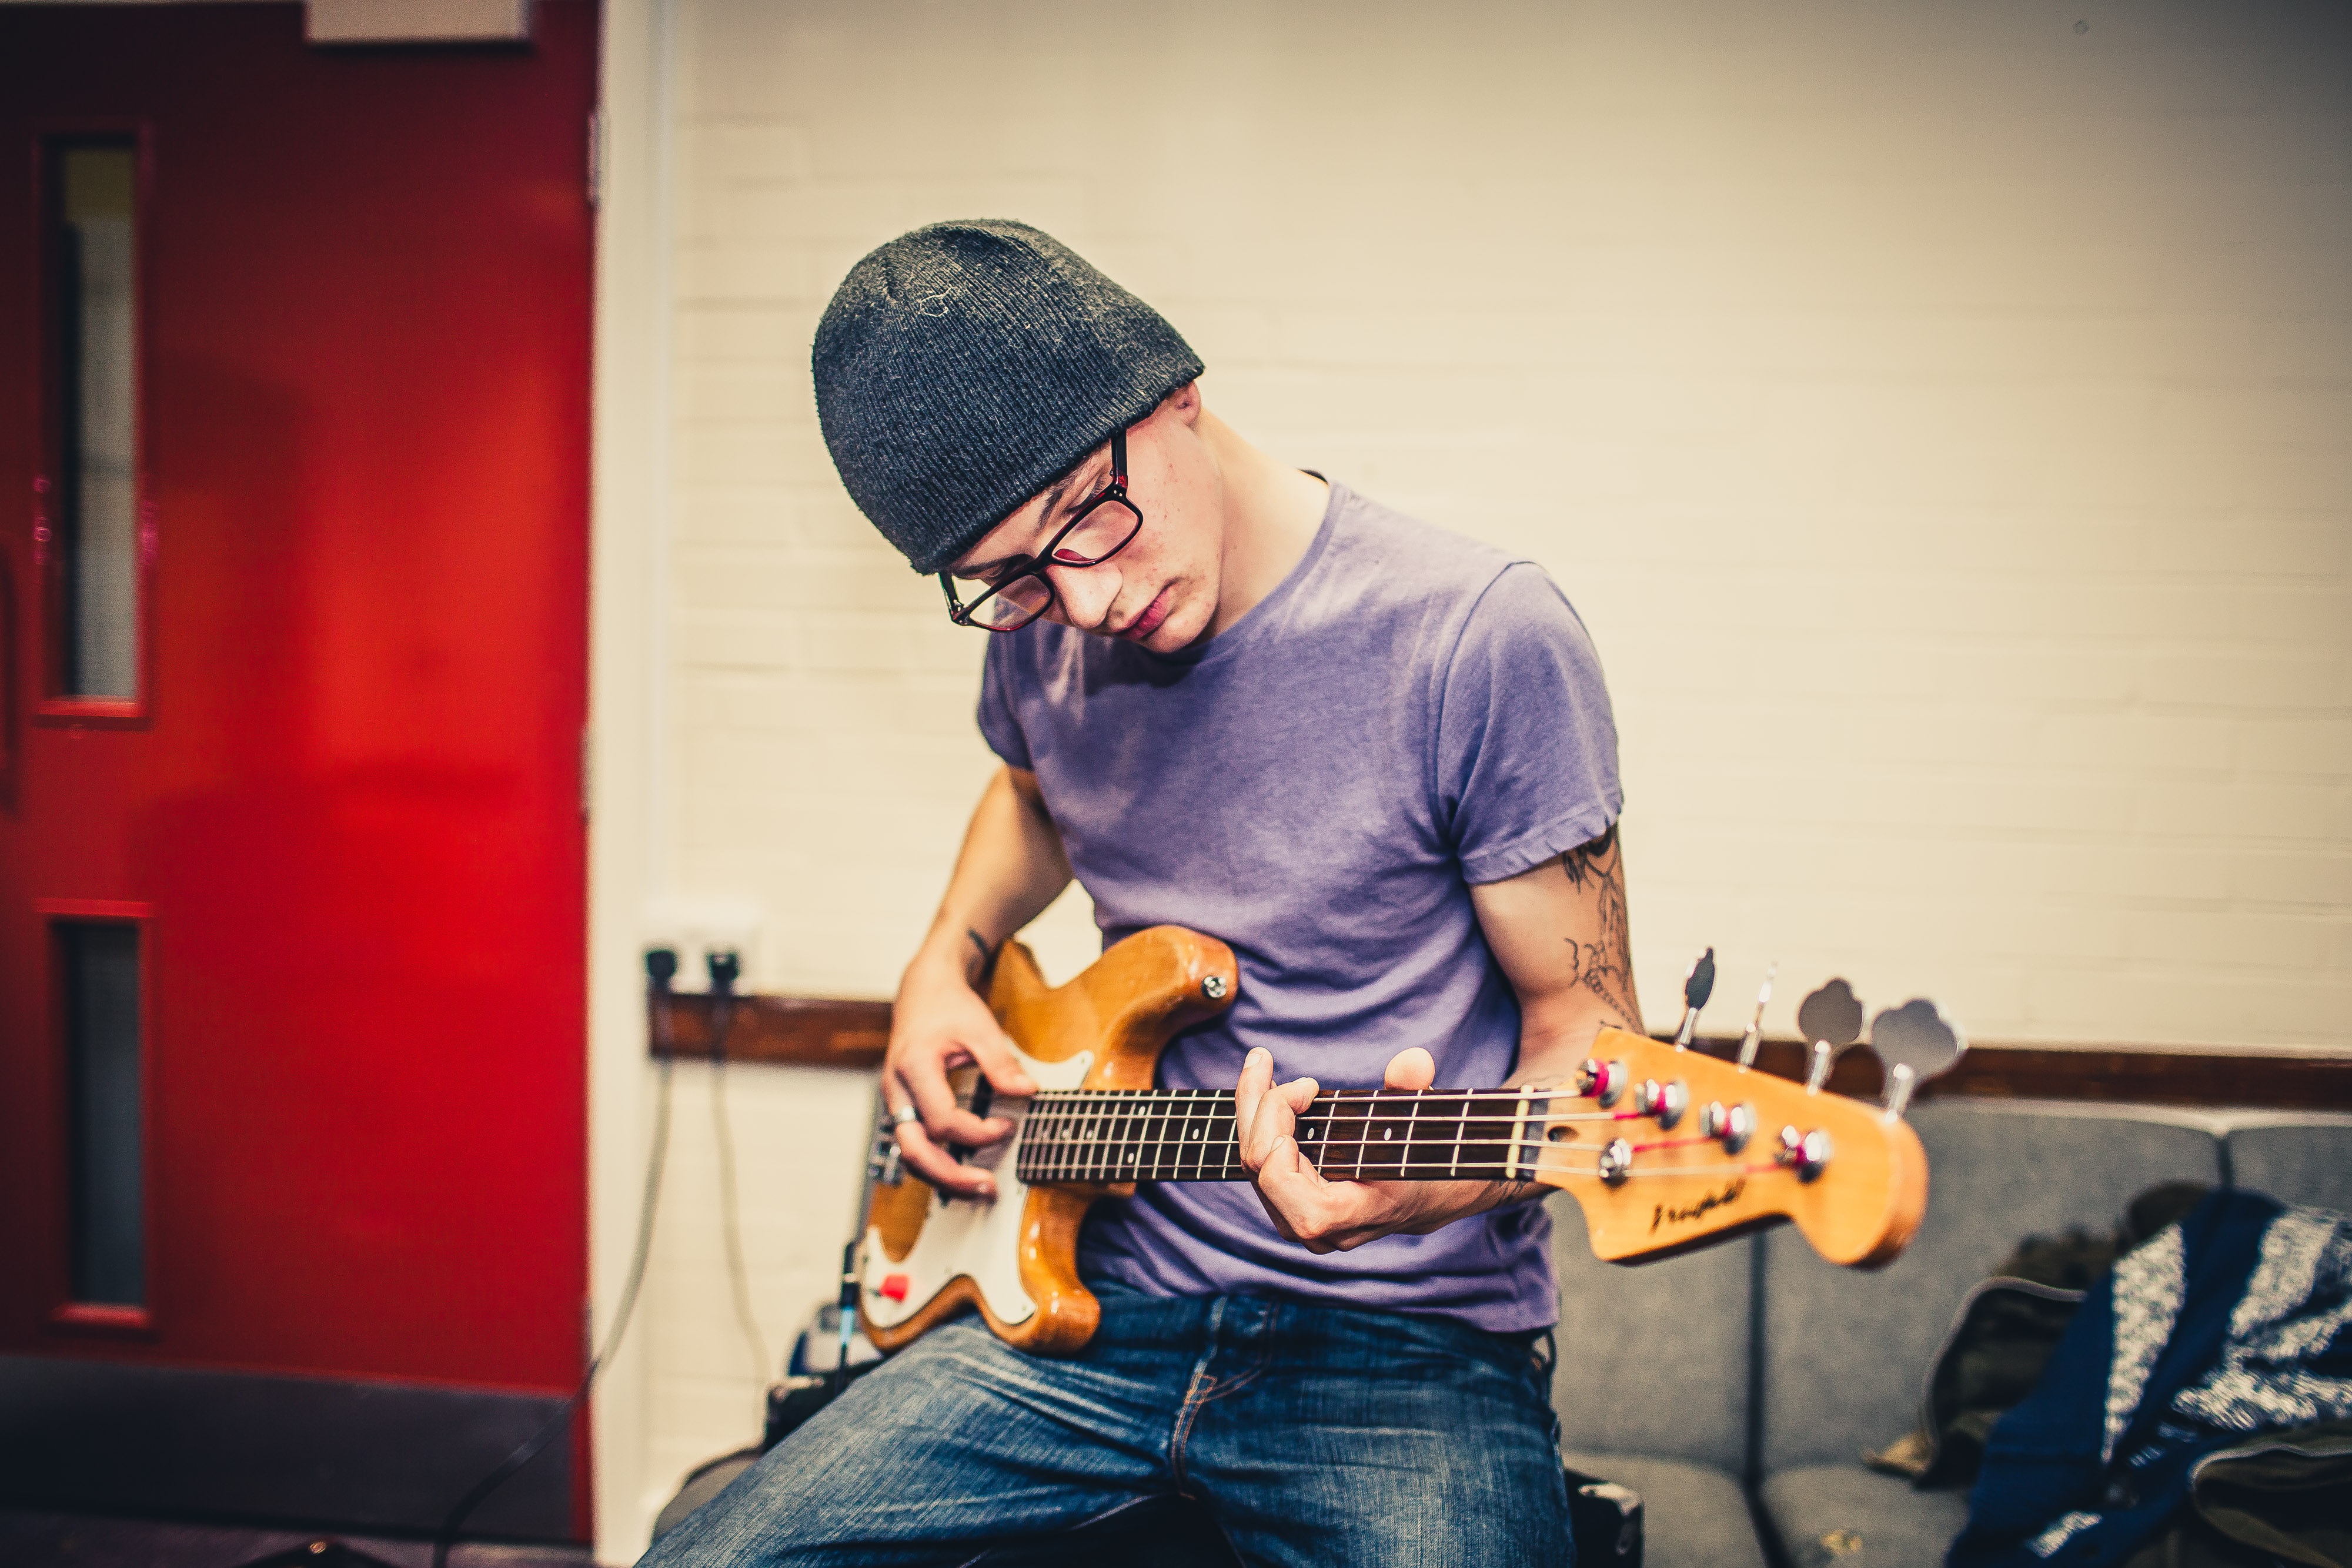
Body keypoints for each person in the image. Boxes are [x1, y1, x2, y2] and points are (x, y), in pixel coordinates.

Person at [643, 219, 1638, 1567]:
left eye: (1087, 524)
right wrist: (944, 958)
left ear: (1171, 390)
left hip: (1407, 1350)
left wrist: (1424, 1193)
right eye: (1011, 580)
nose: (1088, 599)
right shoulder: (1045, 639)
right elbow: (1034, 792)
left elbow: (1592, 1050)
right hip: (1089, 1314)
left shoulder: (1475, 637)